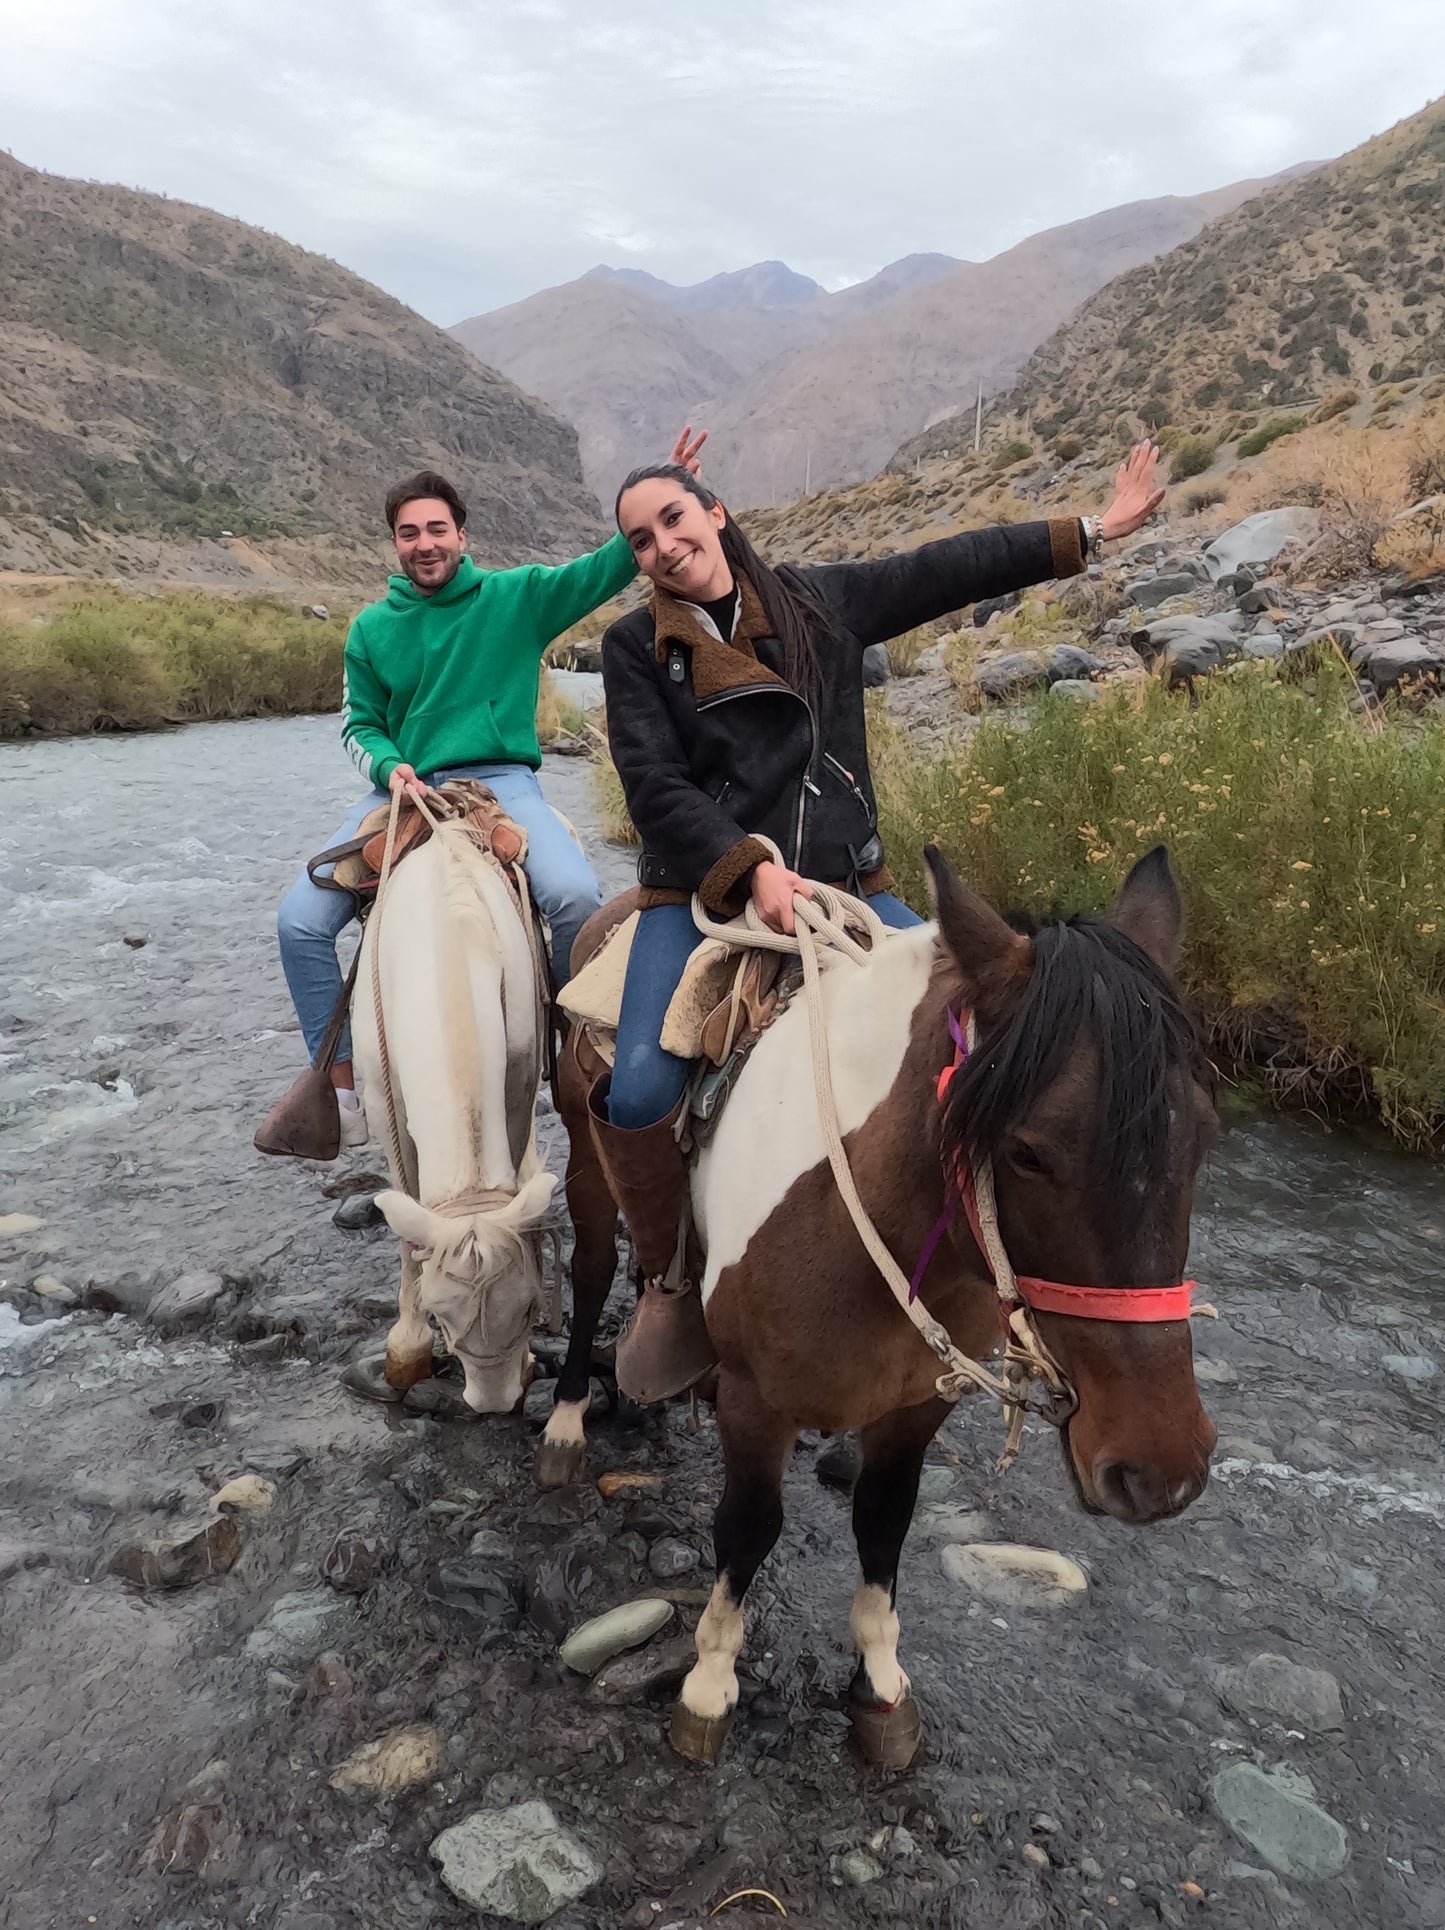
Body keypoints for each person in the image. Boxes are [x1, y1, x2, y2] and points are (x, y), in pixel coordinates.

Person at [593, 441, 1166, 1400]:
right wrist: (747, 873)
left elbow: (953, 565)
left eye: (674, 521)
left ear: (716, 514)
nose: (662, 546)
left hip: (846, 885)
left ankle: (966, 1277)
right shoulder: (631, 648)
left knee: (996, 1035)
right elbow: (652, 787)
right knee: (643, 1088)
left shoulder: (825, 601)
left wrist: (1092, 531)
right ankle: (665, 1279)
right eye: (641, 540)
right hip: (702, 893)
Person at [277, 431, 704, 1147]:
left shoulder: (516, 599)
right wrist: (391, 768)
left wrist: (667, 498)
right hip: (404, 791)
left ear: (461, 535)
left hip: (502, 782)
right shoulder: (371, 629)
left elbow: (601, 570)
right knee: (297, 924)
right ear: (394, 545)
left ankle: (576, 1050)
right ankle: (342, 1088)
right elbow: (360, 724)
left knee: (573, 895)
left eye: (435, 529)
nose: (423, 543)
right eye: (408, 533)